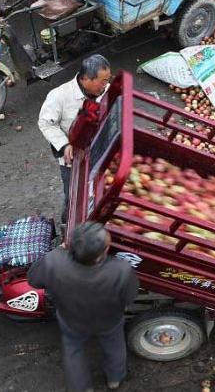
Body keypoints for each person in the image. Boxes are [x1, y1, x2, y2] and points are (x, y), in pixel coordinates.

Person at [28, 221, 138, 391]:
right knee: (115, 346)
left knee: (73, 351)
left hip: (72, 320)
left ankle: (82, 388)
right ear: (103, 252)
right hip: (109, 320)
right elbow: (129, 297)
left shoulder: (54, 261)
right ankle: (115, 379)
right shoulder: (121, 270)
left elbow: (33, 280)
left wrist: (58, 251)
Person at [38, 55, 112, 226]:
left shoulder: (105, 91)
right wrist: (64, 145)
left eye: (107, 80)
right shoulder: (59, 96)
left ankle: (94, 228)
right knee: (74, 197)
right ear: (85, 78)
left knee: (100, 193)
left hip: (99, 153)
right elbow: (46, 123)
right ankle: (68, 228)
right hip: (72, 160)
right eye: (102, 81)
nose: (105, 85)